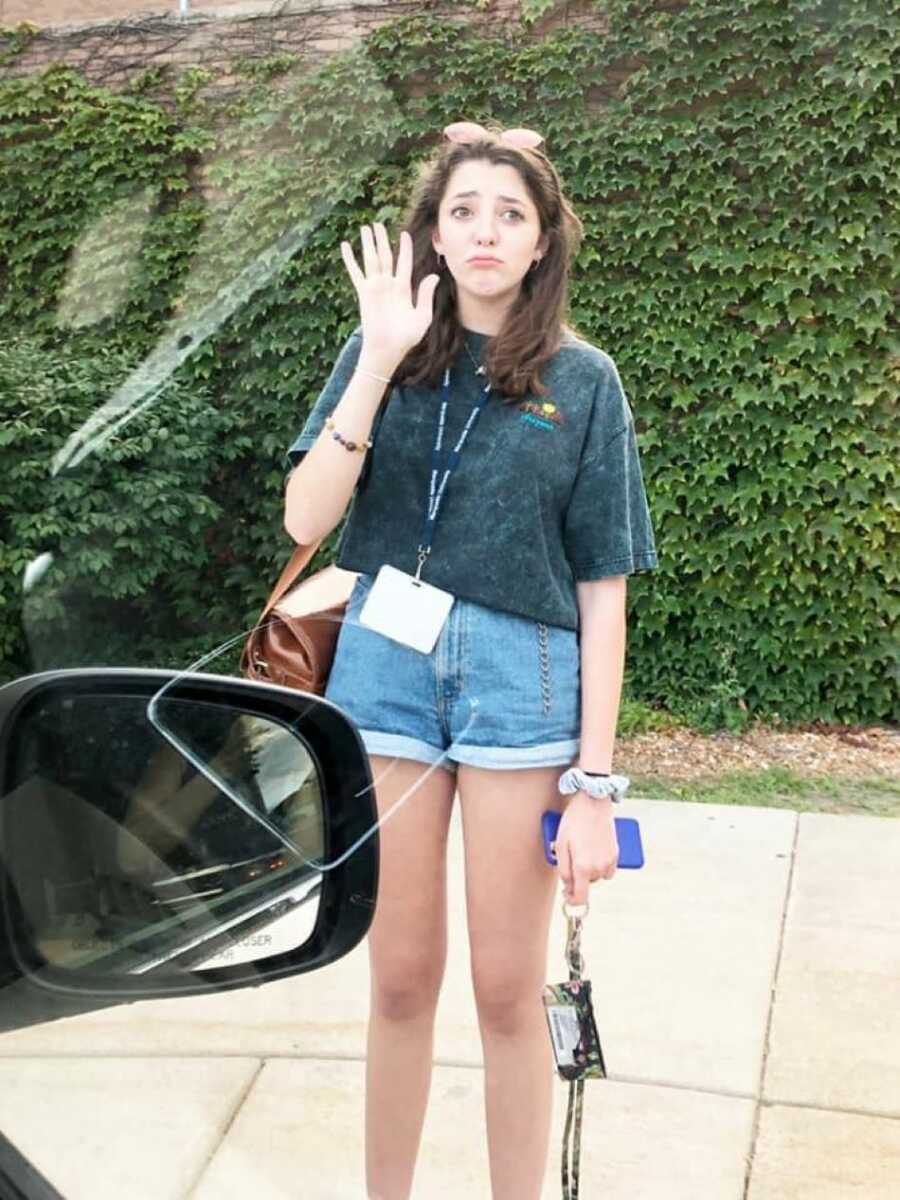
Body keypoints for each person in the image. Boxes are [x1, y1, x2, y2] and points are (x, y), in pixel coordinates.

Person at [283, 119, 659, 1200]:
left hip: (520, 683)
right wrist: (378, 359)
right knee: (399, 978)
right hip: (385, 678)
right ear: (433, 235)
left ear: (542, 243)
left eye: (510, 214)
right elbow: (308, 513)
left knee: (505, 989)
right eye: (463, 212)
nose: (485, 232)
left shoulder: (584, 381)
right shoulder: (382, 352)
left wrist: (593, 784)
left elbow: (603, 586)